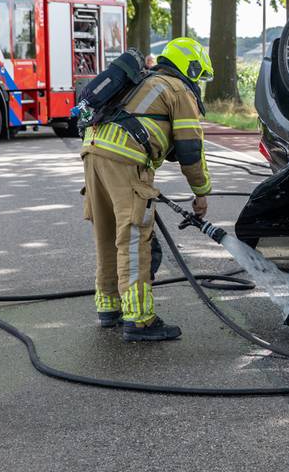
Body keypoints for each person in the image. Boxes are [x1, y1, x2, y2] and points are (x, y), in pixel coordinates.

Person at [80, 37, 213, 342]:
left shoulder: (143, 82)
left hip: (93, 151)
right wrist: (201, 191)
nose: (198, 83)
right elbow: (191, 149)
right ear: (190, 66)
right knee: (133, 238)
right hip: (124, 159)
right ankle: (139, 320)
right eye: (198, 75)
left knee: (107, 233)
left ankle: (109, 307)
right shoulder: (177, 90)